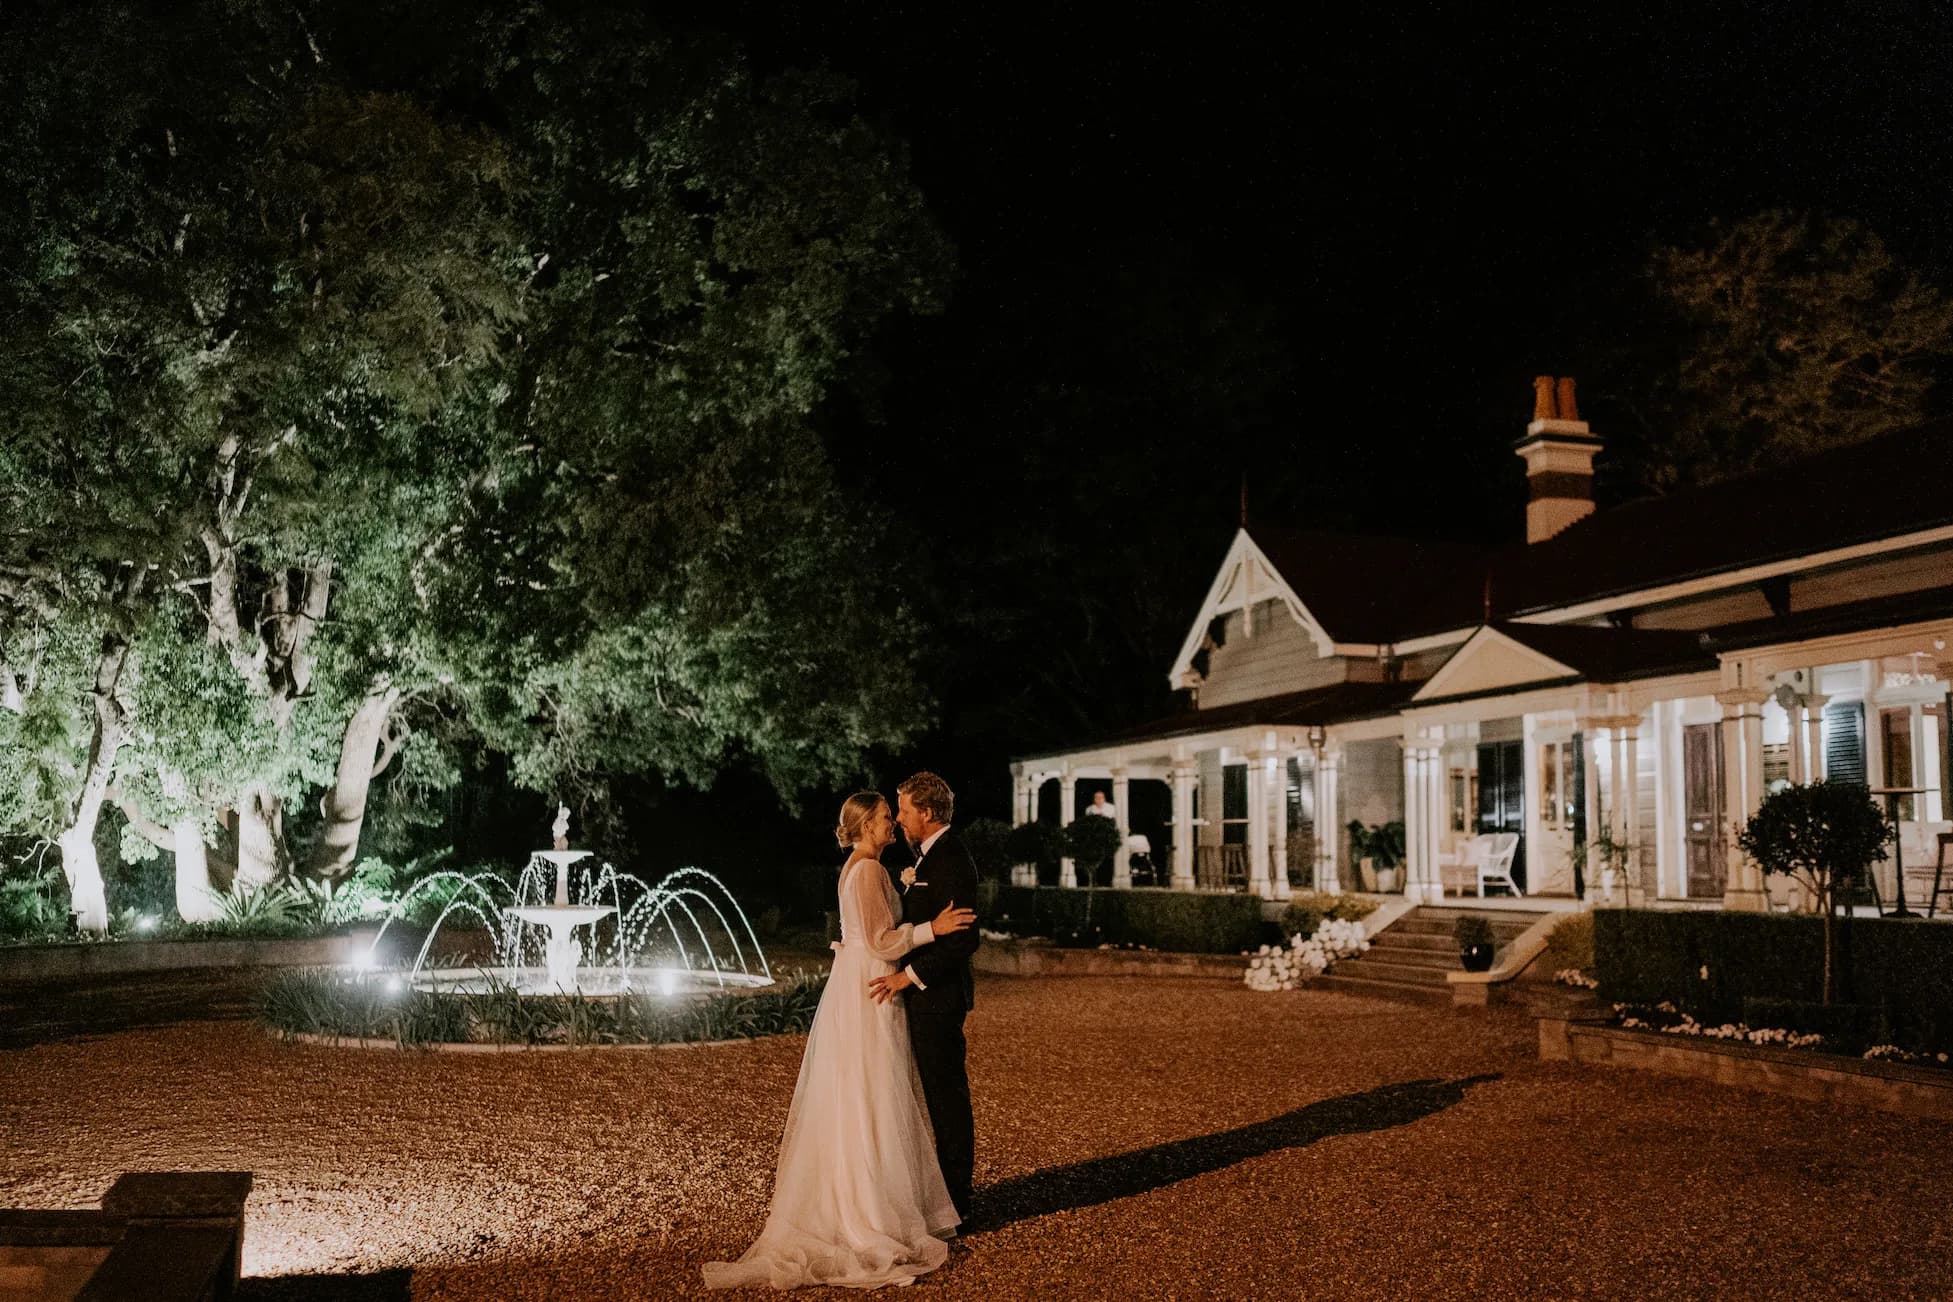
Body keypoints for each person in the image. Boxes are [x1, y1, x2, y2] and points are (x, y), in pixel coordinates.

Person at [703, 792, 976, 1290]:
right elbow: (879, 940)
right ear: (867, 825)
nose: (894, 823)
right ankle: (870, 1210)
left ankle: (865, 1195)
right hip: (872, 983)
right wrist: (930, 930)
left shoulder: (858, 865)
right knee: (873, 1090)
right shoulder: (868, 870)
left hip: (857, 983)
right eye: (886, 818)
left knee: (862, 1091)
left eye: (896, 815)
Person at [869, 772, 981, 1231]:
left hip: (938, 999)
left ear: (928, 813)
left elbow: (962, 942)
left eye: (906, 810)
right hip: (925, 999)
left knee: (946, 1098)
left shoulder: (952, 860)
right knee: (932, 1097)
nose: (900, 819)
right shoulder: (928, 860)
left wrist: (906, 978)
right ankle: (937, 1193)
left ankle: (958, 1201)